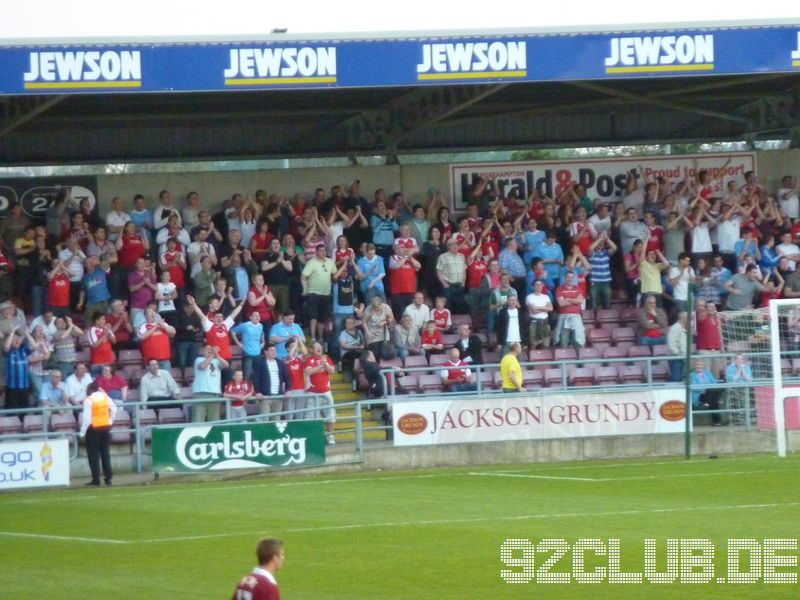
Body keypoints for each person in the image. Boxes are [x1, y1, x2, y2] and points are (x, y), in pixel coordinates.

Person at [79, 382, 117, 486]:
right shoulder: (105, 397)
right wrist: (110, 421)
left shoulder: (88, 400)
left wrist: (82, 433)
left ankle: (96, 479)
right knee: (105, 453)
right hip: (105, 426)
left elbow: (86, 419)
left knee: (93, 455)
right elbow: (114, 409)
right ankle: (108, 477)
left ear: (90, 389)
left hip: (93, 428)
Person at [304, 341, 337, 445]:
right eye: (317, 347)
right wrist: (320, 367)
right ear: (311, 350)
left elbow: (332, 371)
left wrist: (325, 364)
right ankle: (315, 438)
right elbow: (309, 371)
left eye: (320, 347)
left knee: (330, 414)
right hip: (312, 393)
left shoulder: (326, 359)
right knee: (312, 416)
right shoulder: (309, 360)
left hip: (326, 392)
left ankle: (330, 437)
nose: (319, 348)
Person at [192, 344, 229, 423]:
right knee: (198, 419)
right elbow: (202, 366)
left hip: (215, 393)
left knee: (214, 419)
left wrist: (217, 355)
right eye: (207, 349)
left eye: (211, 349)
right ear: (202, 351)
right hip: (201, 393)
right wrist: (212, 355)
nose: (210, 350)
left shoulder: (216, 361)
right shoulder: (199, 359)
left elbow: (226, 365)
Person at [253, 345, 289, 418]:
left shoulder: (280, 363)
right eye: (271, 350)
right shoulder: (260, 363)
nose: (274, 352)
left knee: (276, 420)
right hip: (265, 396)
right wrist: (257, 392)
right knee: (264, 419)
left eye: (275, 350)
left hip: (278, 395)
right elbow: (255, 378)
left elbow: (287, 377)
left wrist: (288, 390)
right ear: (266, 352)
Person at [690, 360, 723, 426]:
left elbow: (714, 383)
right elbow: (694, 388)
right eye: (697, 365)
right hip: (699, 395)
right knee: (712, 396)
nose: (699, 366)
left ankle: (707, 403)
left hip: (709, 394)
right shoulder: (692, 376)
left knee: (712, 397)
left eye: (700, 365)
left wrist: (708, 389)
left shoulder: (707, 373)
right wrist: (705, 389)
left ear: (703, 366)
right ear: (694, 366)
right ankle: (716, 421)